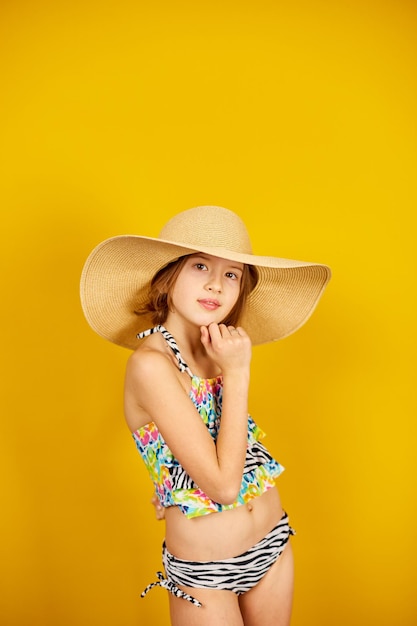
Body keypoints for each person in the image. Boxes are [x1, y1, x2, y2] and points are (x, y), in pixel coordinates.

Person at [80, 205, 331, 626]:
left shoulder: (217, 348)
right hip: (206, 575)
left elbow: (228, 442)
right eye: (200, 266)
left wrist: (166, 481)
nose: (216, 284)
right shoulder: (151, 365)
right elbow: (222, 487)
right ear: (168, 276)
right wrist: (238, 373)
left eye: (231, 274)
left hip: (271, 543)